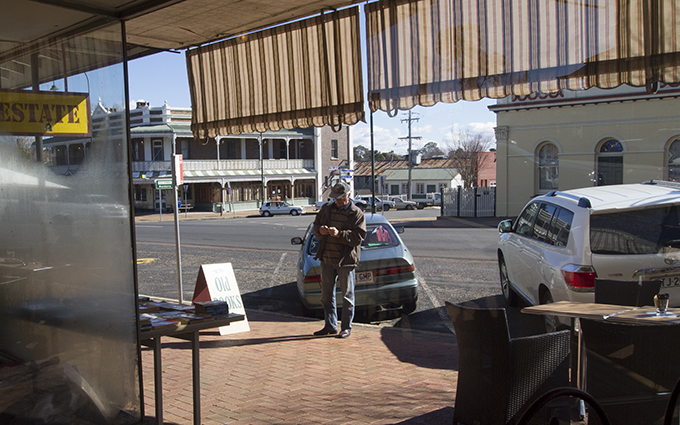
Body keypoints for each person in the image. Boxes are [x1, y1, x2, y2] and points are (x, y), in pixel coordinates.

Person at [312, 181, 366, 338]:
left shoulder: (356, 213)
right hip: (327, 259)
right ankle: (330, 325)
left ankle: (346, 328)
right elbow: (316, 228)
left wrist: (339, 234)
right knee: (326, 296)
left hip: (346, 262)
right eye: (335, 198)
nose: (338, 201)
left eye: (341, 198)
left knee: (347, 296)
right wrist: (321, 231)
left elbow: (358, 237)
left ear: (348, 195)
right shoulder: (326, 209)